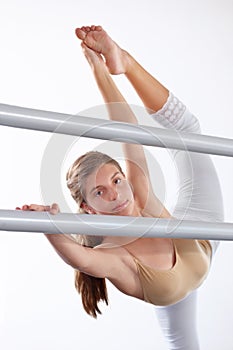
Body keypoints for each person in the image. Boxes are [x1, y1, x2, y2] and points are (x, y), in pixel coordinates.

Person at [16, 25, 224, 350]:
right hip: (177, 290)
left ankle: (125, 60)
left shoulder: (140, 197)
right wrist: (48, 226)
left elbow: (128, 129)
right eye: (100, 192)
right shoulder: (115, 255)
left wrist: (102, 69)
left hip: (204, 231)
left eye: (116, 180)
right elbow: (82, 260)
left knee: (187, 131)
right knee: (185, 345)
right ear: (87, 209)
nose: (116, 194)